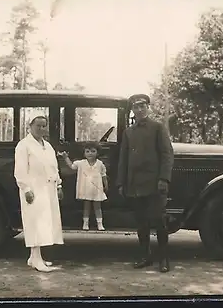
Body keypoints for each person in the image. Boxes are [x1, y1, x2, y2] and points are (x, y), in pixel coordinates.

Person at [116, 94, 174, 273]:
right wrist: (121, 183)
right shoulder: (129, 132)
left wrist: (164, 179)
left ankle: (163, 259)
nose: (139, 110)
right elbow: (123, 159)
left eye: (142, 106)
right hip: (135, 185)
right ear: (132, 110)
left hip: (155, 184)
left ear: (148, 107)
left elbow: (167, 154)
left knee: (159, 222)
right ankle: (145, 256)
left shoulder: (158, 128)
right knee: (142, 224)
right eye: (136, 107)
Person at [13, 114, 64, 272]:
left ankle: (33, 257)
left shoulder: (47, 145)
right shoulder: (23, 145)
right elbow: (20, 170)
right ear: (30, 126)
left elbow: (53, 167)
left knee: (45, 223)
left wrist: (58, 186)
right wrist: (26, 189)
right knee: (34, 223)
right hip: (33, 188)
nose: (41, 129)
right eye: (38, 126)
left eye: (44, 126)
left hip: (48, 188)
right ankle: (36, 259)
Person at [58, 141, 108, 231]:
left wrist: (105, 184)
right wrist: (66, 158)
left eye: (93, 151)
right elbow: (72, 166)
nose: (90, 154)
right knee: (87, 206)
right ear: (84, 153)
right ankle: (85, 223)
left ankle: (100, 224)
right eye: (87, 151)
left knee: (97, 207)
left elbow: (103, 174)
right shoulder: (81, 163)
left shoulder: (100, 164)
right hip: (86, 188)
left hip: (96, 189)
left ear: (97, 153)